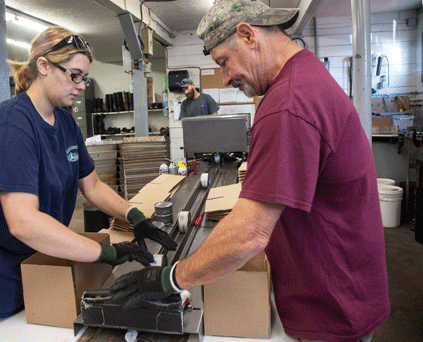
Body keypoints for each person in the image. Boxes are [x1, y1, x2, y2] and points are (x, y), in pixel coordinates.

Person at [109, 1, 390, 342]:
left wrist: (168, 278)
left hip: (332, 309)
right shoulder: (306, 76)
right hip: (343, 289)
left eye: (224, 62)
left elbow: (249, 234)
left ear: (247, 35)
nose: (226, 78)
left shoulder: (288, 104)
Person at [0, 26, 176, 342]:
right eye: (74, 75)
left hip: (31, 268)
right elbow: (24, 223)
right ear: (44, 65)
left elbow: (92, 185)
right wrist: (106, 253)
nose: (80, 86)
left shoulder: (64, 122)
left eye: (84, 78)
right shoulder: (12, 127)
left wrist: (134, 216)